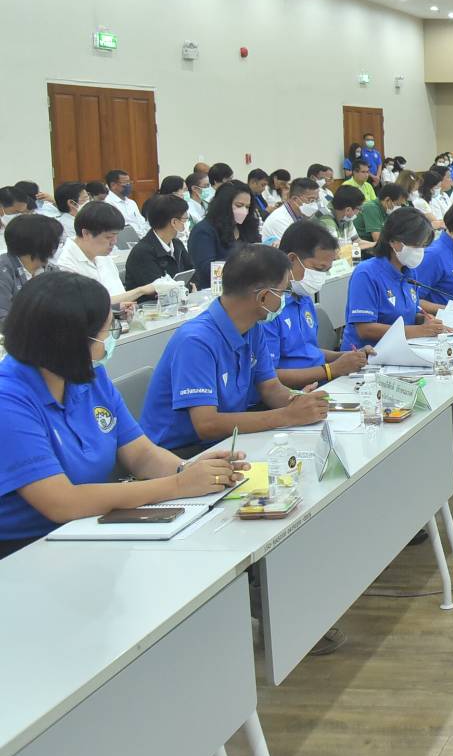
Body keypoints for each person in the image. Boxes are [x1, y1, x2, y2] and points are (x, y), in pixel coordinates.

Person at [0, 272, 248, 556]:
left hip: (87, 527)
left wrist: (188, 469)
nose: (111, 338)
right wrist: (179, 485)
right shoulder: (8, 400)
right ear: (71, 342)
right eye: (107, 330)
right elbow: (61, 502)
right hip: (26, 550)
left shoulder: (87, 376)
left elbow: (141, 455)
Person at [139, 245, 329, 455]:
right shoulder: (195, 341)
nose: (285, 299)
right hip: (179, 452)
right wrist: (287, 416)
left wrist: (297, 400)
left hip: (228, 440)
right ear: (263, 297)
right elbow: (206, 424)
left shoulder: (253, 327)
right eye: (283, 292)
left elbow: (270, 388)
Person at [267, 222, 372, 390]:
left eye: (326, 270)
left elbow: (308, 351)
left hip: (321, 384)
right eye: (318, 268)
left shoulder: (303, 298)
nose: (321, 276)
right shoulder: (269, 308)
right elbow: (267, 377)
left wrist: (348, 356)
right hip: (294, 393)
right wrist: (331, 370)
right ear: (291, 260)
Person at [341, 208, 449, 350]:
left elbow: (409, 314)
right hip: (368, 355)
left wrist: (425, 320)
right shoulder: (366, 273)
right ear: (393, 241)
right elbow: (365, 329)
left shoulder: (410, 272)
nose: (420, 251)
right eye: (416, 245)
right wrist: (420, 330)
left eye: (423, 246)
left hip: (402, 348)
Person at [55, 202, 155, 308]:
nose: (114, 242)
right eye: (108, 237)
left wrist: (127, 308)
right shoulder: (64, 265)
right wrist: (141, 291)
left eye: (116, 235)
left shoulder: (101, 254)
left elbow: (118, 295)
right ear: (86, 233)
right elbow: (88, 305)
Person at [188, 181, 252, 290]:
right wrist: (243, 264)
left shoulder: (243, 227)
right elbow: (207, 270)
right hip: (213, 291)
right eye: (239, 205)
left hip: (243, 287)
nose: (244, 211)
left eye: (247, 207)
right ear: (223, 205)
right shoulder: (203, 231)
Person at [124, 193, 192, 291]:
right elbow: (157, 290)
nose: (186, 224)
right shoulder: (142, 252)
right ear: (174, 222)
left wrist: (193, 286)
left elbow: (192, 272)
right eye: (185, 220)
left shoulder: (177, 244)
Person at [0, 215, 62, 322]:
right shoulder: (4, 271)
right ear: (42, 245)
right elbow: (2, 318)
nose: (58, 247)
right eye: (57, 242)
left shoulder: (52, 271)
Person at [261, 177, 322, 245]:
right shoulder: (279, 220)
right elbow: (296, 249)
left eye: (316, 200)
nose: (315, 204)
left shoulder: (301, 215)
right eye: (311, 200)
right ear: (295, 199)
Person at [102, 168, 150, 237]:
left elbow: (142, 222)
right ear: (113, 185)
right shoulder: (107, 204)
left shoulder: (131, 203)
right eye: (125, 182)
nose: (129, 185)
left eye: (129, 182)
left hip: (143, 237)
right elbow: (118, 230)